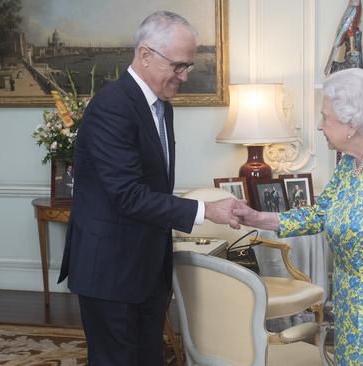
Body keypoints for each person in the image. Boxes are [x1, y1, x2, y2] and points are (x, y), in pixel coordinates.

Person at [57, 11, 239, 366]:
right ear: (145, 55)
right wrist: (207, 210)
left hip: (146, 269)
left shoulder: (159, 105)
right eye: (179, 66)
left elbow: (153, 184)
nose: (185, 75)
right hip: (110, 272)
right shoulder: (112, 107)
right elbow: (127, 195)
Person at [234, 68, 363, 365]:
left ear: (351, 124)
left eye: (325, 117)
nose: (320, 126)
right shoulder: (350, 163)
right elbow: (322, 213)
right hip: (352, 309)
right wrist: (259, 218)